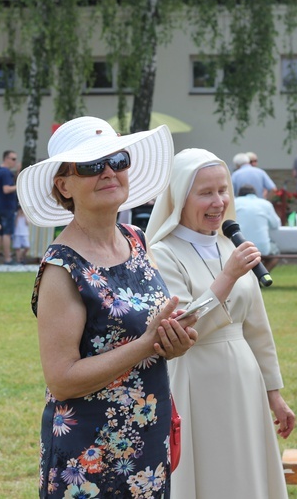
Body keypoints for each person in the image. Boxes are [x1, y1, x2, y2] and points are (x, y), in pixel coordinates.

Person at [17, 116, 198, 497]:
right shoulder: (62, 267)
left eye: (117, 160)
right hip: (88, 456)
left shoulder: (136, 239)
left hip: (148, 439)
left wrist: (172, 341)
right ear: (63, 185)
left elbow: (147, 334)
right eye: (91, 166)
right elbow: (62, 379)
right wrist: (147, 344)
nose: (109, 172)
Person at [145, 148, 295, 498]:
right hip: (194, 378)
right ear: (180, 198)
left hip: (244, 381)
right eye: (206, 193)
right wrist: (227, 277)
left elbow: (256, 326)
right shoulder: (162, 252)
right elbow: (181, 327)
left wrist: (274, 394)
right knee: (208, 472)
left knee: (245, 471)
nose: (219, 202)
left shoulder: (232, 246)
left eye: (223, 190)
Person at [235, 183, 281, 271]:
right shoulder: (265, 204)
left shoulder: (234, 203)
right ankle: (261, 277)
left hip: (239, 246)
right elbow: (275, 224)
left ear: (239, 194)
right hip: (262, 247)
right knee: (275, 254)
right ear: (255, 194)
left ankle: (250, 279)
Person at [0, 150, 19, 265]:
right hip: (7, 206)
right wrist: (19, 185)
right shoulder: (5, 172)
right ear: (6, 159)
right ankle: (7, 258)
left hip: (0, 205)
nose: (15, 162)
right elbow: (6, 189)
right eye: (13, 159)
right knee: (7, 233)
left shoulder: (0, 170)